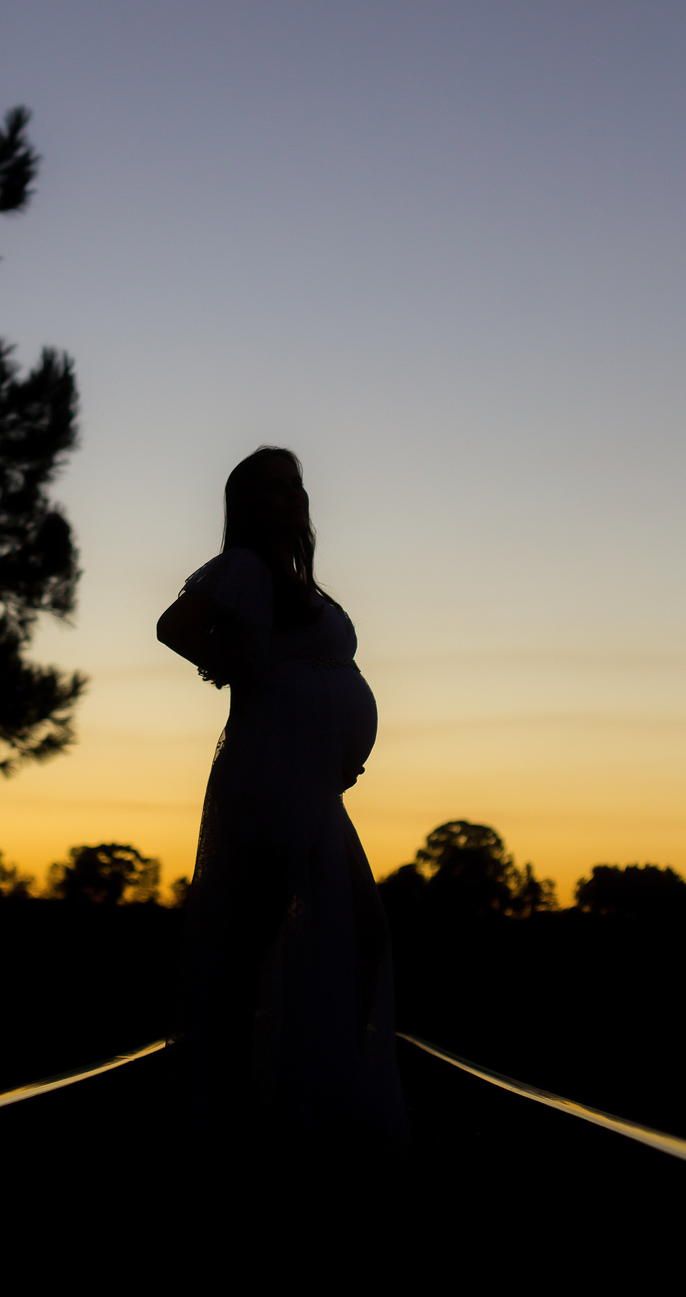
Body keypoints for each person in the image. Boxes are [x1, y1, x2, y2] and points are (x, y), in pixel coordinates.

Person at [157, 446, 408, 1151]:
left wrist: (329, 743)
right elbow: (174, 627)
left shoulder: (294, 578)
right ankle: (238, 1106)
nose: (289, 496)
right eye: (271, 487)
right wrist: (250, 677)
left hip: (307, 782)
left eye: (294, 484)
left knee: (339, 932)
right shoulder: (242, 566)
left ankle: (308, 1088)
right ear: (248, 502)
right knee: (261, 936)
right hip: (272, 776)